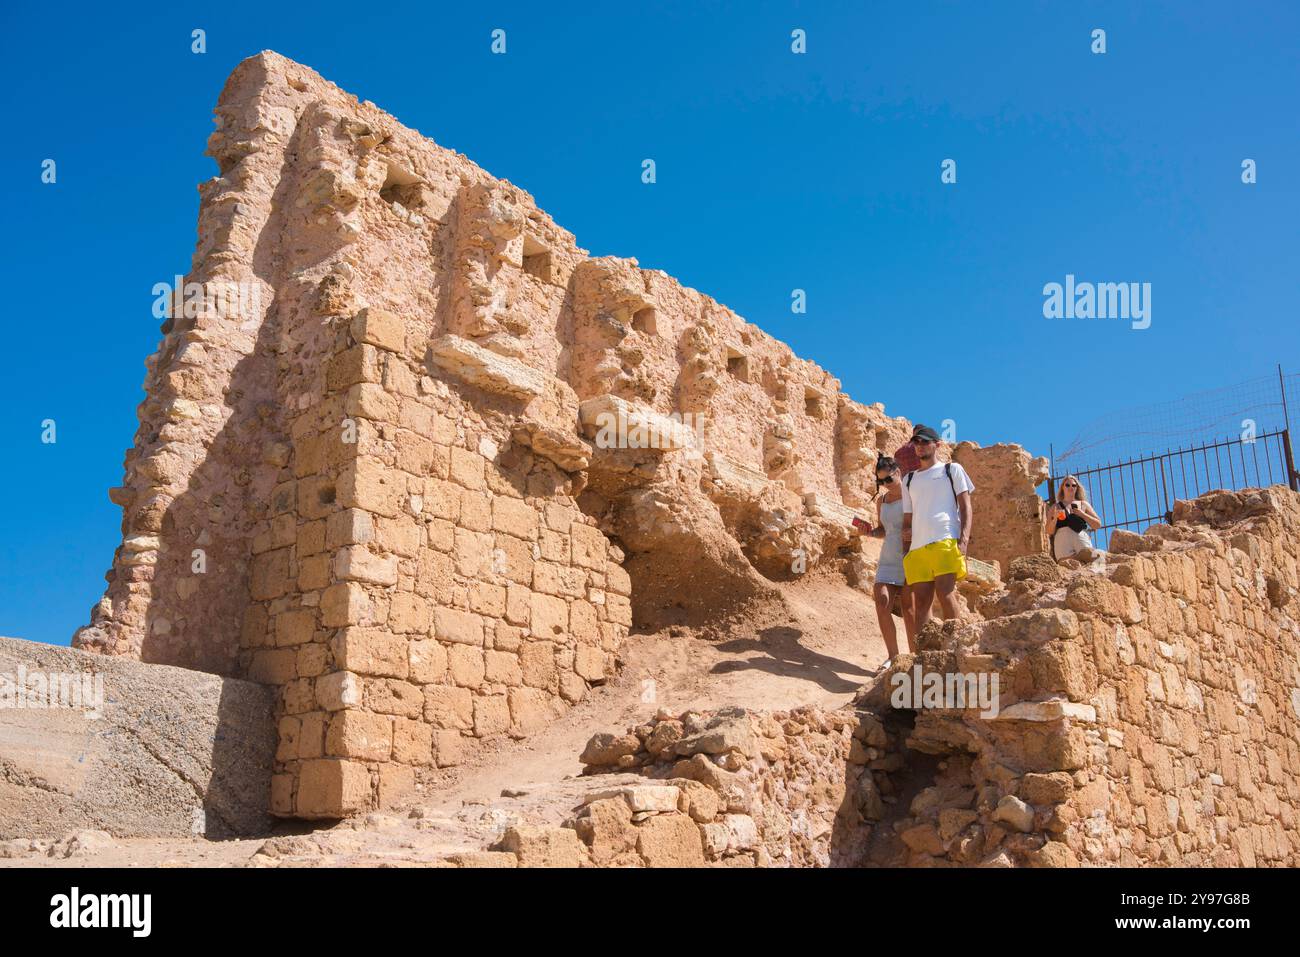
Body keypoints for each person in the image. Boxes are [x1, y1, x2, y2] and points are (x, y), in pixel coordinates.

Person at [900, 425, 975, 628]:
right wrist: (905, 552)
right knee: (922, 603)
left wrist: (964, 540)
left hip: (945, 538)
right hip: (917, 548)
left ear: (937, 445)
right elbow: (907, 518)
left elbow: (966, 506)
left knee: (945, 593)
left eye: (925, 441)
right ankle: (922, 658)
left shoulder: (952, 470)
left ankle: (954, 648)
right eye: (916, 442)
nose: (920, 446)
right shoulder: (908, 480)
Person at [868, 456, 915, 668]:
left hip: (910, 556)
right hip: (888, 557)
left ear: (898, 472)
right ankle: (893, 657)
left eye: (888, 480)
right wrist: (869, 531)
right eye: (881, 482)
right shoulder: (882, 501)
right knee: (882, 601)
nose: (885, 485)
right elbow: (883, 530)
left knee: (909, 608)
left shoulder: (912, 495)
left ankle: (915, 657)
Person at [1045, 475, 1102, 560]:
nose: (1070, 487)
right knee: (1066, 566)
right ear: (1062, 488)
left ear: (1077, 488)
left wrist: (1082, 514)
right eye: (1067, 485)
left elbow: (1097, 524)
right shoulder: (1055, 507)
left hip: (1081, 537)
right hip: (1063, 540)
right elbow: (1049, 531)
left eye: (1074, 485)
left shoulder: (1083, 504)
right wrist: (1055, 519)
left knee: (1088, 563)